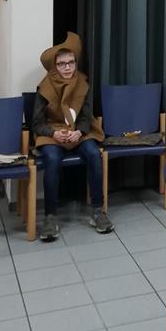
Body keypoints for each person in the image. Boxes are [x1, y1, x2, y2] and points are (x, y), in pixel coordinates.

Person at [31, 32, 112, 241]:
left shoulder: (82, 82)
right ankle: (50, 217)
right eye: (62, 64)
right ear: (54, 66)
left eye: (71, 63)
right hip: (53, 133)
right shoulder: (44, 87)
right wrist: (54, 133)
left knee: (94, 154)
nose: (67, 67)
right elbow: (37, 123)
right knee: (52, 159)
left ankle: (97, 211)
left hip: (77, 131)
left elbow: (86, 116)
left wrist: (80, 132)